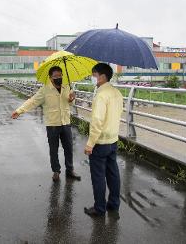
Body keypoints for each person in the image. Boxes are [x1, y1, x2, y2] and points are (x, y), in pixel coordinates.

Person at [11, 66, 81, 182]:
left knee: (68, 148)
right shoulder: (45, 90)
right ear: (50, 77)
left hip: (66, 122)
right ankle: (56, 171)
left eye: (60, 75)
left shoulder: (67, 86)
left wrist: (71, 99)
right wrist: (19, 111)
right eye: (55, 76)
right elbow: (33, 101)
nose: (58, 78)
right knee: (53, 149)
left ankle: (70, 170)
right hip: (52, 124)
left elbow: (71, 103)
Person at [83, 63, 123, 217]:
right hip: (113, 140)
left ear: (101, 76)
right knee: (113, 173)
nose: (92, 78)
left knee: (98, 176)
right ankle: (113, 204)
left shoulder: (101, 95)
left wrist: (90, 144)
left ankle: (99, 208)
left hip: (100, 143)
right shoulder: (116, 92)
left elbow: (97, 121)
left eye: (93, 75)